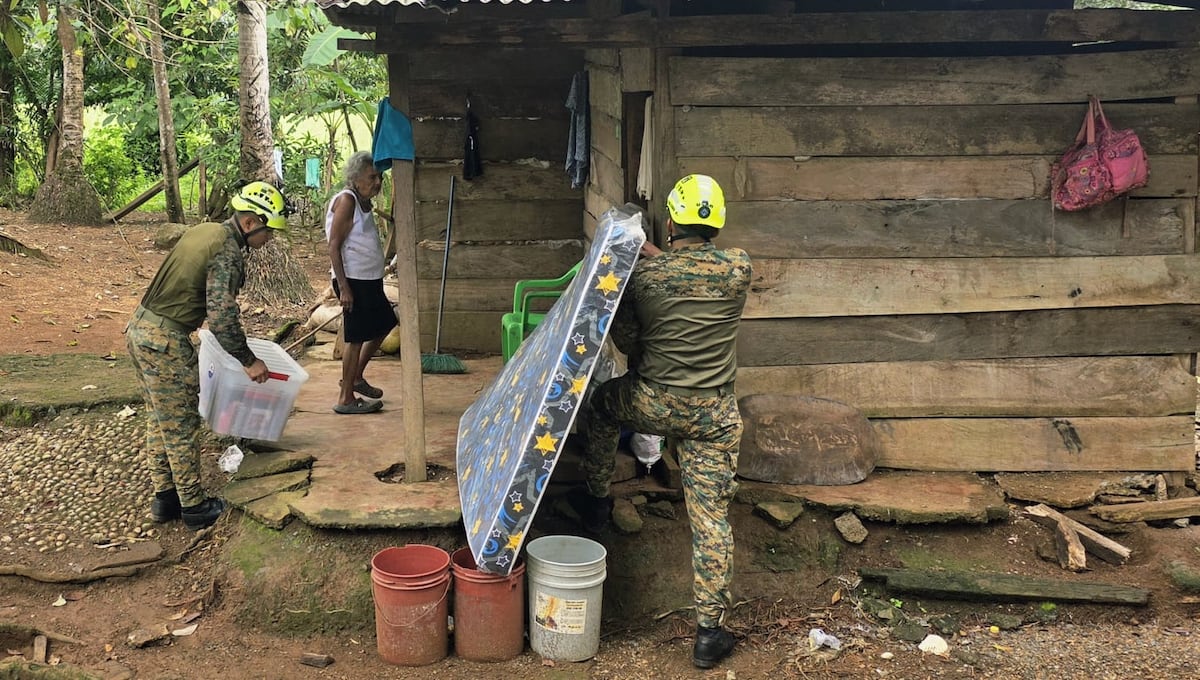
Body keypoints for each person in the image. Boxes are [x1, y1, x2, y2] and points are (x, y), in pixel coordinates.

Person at [575, 174, 752, 669]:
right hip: (713, 415)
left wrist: (647, 261)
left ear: (670, 223)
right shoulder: (739, 268)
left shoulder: (645, 281)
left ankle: (596, 502)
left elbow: (629, 342)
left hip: (653, 402)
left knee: (602, 406)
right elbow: (696, 270)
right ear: (717, 223)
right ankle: (709, 634)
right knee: (711, 519)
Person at [126, 181, 289, 531]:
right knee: (181, 425)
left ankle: (165, 497)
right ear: (250, 222)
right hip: (165, 341)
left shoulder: (206, 230)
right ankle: (194, 506)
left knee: (160, 419)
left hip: (140, 329)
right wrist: (249, 361)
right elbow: (222, 317)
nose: (269, 239)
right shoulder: (227, 251)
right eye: (269, 231)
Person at [326, 151, 396, 415]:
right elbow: (334, 246)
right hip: (353, 281)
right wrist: (344, 288)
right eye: (372, 177)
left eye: (380, 177)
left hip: (368, 280)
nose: (377, 182)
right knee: (355, 338)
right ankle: (345, 397)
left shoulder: (362, 202)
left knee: (385, 323)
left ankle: (356, 377)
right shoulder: (347, 200)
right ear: (355, 178)